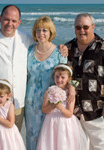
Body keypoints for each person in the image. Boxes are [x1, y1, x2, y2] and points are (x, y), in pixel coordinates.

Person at [65, 13, 104, 150]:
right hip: (74, 113)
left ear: (93, 27)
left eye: (85, 27)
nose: (82, 30)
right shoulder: (67, 49)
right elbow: (67, 77)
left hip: (98, 112)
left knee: (101, 147)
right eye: (78, 27)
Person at [25, 16, 68, 150]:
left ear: (51, 32)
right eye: (38, 30)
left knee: (49, 136)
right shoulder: (29, 51)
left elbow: (65, 79)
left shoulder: (59, 53)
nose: (41, 33)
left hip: (50, 102)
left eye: (45, 30)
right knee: (31, 135)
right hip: (30, 101)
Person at [37, 64, 88, 150]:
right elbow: (44, 109)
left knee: (64, 145)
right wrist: (52, 106)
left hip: (65, 125)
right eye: (57, 77)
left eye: (63, 77)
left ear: (68, 78)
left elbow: (69, 113)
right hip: (51, 123)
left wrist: (61, 108)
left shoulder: (70, 94)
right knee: (51, 145)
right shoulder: (49, 91)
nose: (59, 80)